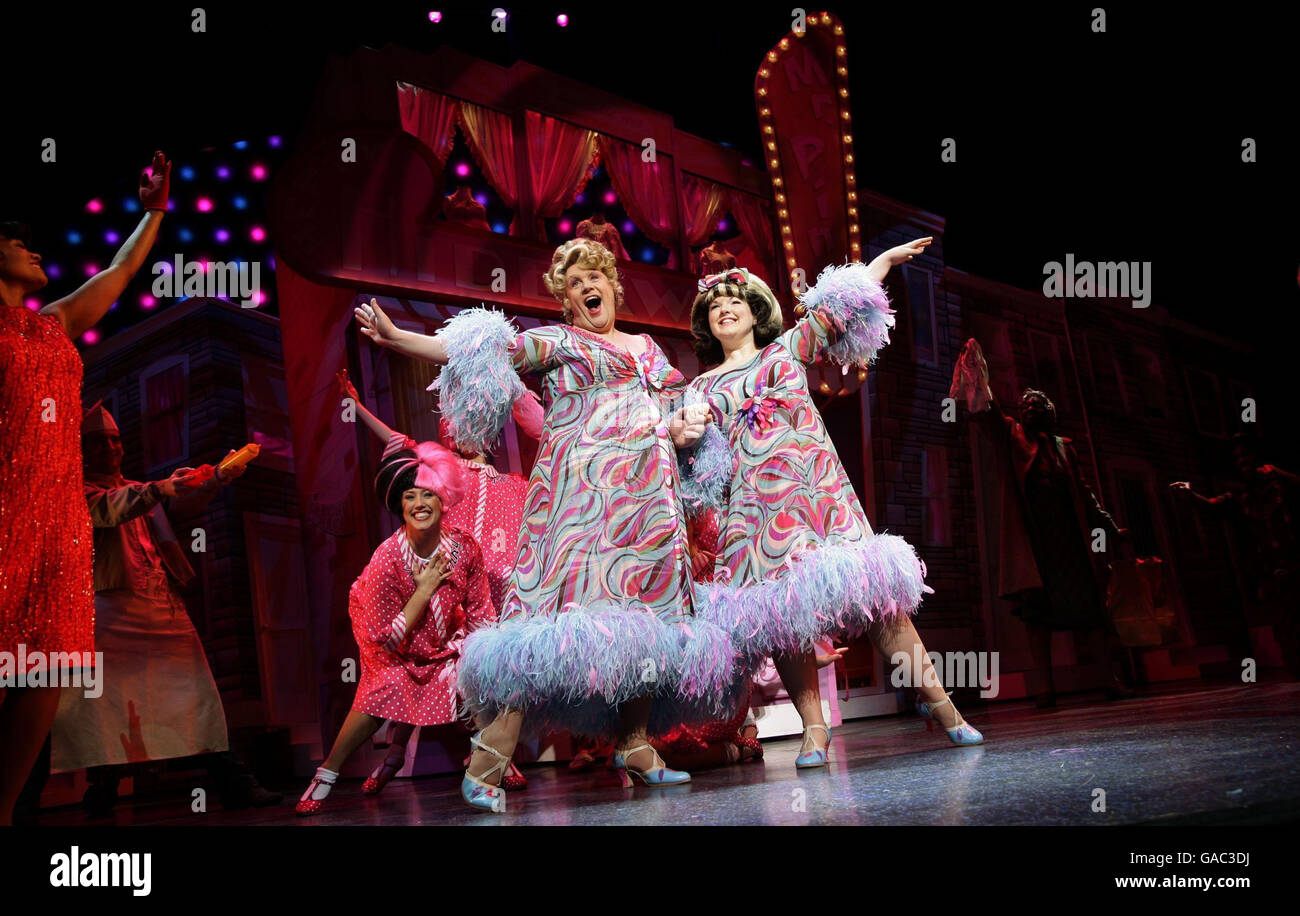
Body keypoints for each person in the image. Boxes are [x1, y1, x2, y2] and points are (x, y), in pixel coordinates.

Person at [354, 238, 740, 812]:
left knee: (645, 624)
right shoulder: (557, 342)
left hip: (645, 505)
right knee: (544, 627)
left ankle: (635, 747)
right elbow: (485, 353)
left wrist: (688, 422)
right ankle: (487, 760)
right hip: (578, 504)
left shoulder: (645, 347)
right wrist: (401, 339)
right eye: (576, 280)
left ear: (613, 285)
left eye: (597, 277)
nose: (589, 286)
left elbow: (674, 405)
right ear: (566, 296)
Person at [689, 244, 983, 769]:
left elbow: (843, 305)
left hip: (819, 500)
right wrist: (684, 432)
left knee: (881, 605)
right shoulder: (701, 388)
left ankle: (945, 710)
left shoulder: (785, 350)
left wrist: (884, 262)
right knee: (783, 622)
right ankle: (814, 731)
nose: (724, 308)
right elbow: (689, 452)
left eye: (734, 299)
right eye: (714, 305)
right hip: (754, 520)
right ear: (707, 324)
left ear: (755, 310)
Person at [0, 152, 170, 825]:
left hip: (60, 521)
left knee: (41, 677)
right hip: (5, 512)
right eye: (17, 241)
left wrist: (153, 210)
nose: (34, 249)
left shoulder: (54, 324)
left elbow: (121, 270)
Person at [50, 403, 280, 815]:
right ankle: (100, 792)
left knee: (194, 693)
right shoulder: (75, 491)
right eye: (99, 441)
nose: (110, 447)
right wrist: (159, 488)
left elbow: (179, 507)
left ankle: (234, 783)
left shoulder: (140, 489)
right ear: (81, 450)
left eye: (115, 439)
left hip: (159, 603)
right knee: (108, 705)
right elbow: (109, 508)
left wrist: (216, 480)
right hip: (109, 609)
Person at [335, 368, 533, 791]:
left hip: (492, 596)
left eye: (477, 426)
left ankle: (495, 755)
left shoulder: (514, 486)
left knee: (485, 678)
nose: (468, 435)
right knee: (418, 673)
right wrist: (357, 406)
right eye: (459, 426)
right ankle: (392, 758)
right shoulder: (444, 477)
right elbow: (397, 442)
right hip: (445, 590)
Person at [296, 440, 494, 816]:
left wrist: (481, 657)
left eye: (427, 495)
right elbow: (387, 635)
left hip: (439, 636)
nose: (419, 504)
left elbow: (481, 609)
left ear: (444, 501)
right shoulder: (386, 560)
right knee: (385, 691)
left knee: (472, 683)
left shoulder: (464, 548)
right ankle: (327, 774)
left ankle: (494, 762)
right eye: (409, 497)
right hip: (386, 639)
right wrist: (424, 589)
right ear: (399, 506)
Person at [950, 337, 1135, 707]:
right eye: (1024, 405)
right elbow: (987, 412)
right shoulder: (1011, 435)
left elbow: (1085, 494)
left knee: (1093, 617)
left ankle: (1109, 680)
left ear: (1049, 413)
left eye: (1036, 405)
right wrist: (975, 370)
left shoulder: (1066, 447)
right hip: (1035, 547)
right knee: (1037, 621)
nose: (1029, 409)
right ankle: (1045, 689)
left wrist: (1111, 527)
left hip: (1071, 546)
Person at [1171, 434, 1300, 677]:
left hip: (1295, 562)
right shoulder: (1242, 496)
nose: (1243, 461)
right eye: (1238, 458)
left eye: (1246, 455)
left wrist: (1282, 475)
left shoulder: (1281, 482)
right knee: (1284, 625)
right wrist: (1189, 495)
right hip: (1271, 570)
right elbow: (1213, 506)